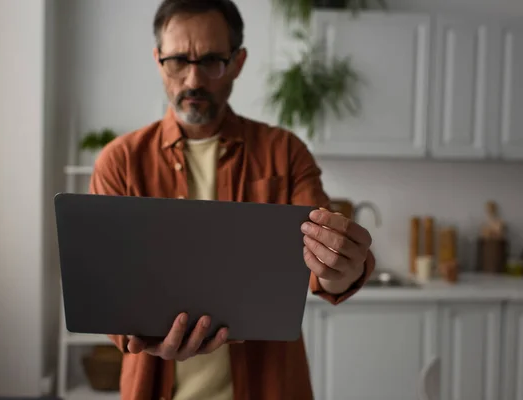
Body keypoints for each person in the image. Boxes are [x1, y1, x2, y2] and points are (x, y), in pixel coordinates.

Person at [88, 0, 376, 399]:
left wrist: (337, 267)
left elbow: (321, 267)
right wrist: (137, 335)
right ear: (158, 61)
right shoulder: (120, 161)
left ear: (238, 62)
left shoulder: (286, 152)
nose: (192, 80)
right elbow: (107, 290)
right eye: (176, 61)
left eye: (211, 61)